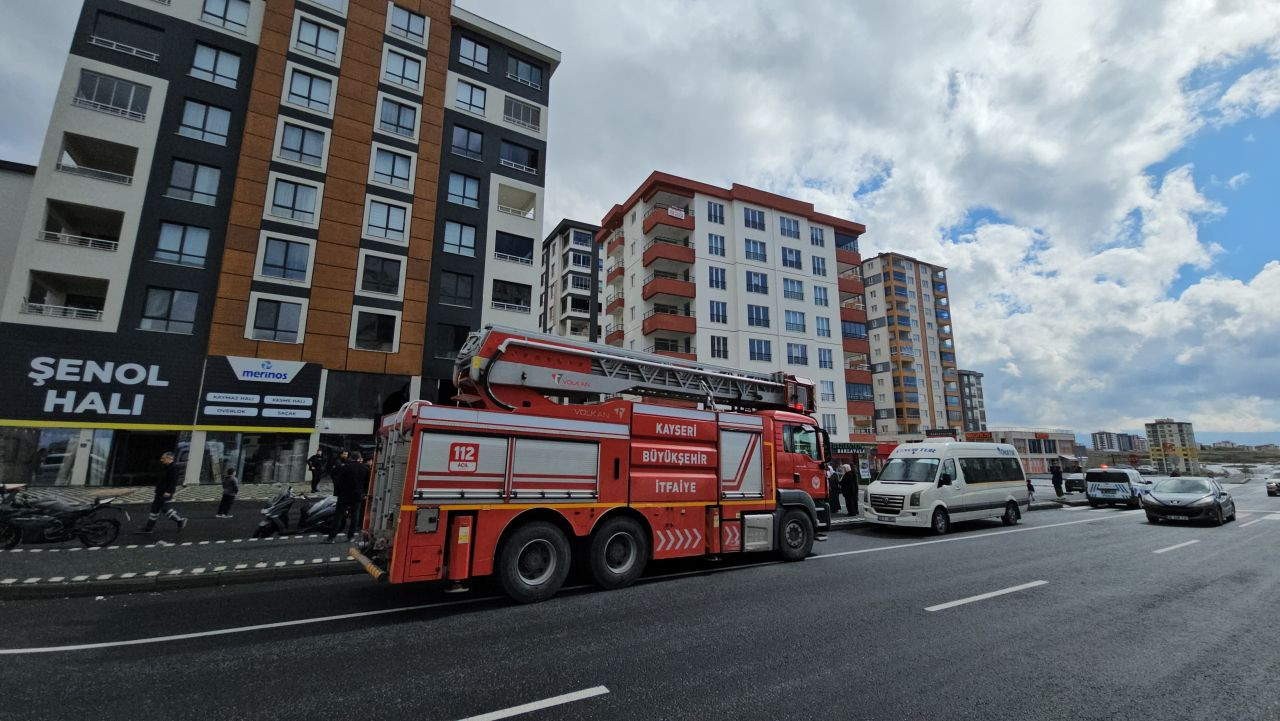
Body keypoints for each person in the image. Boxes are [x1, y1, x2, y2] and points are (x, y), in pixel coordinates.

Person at [139, 451, 187, 534]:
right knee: (154, 509)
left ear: (169, 458)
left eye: (163, 458)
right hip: (159, 491)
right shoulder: (165, 466)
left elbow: (173, 481)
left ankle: (180, 520)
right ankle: (149, 528)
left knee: (165, 509)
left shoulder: (174, 468)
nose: (161, 460)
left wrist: (169, 491)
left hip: (166, 492)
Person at [327, 451, 370, 543]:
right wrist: (365, 493)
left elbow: (338, 480)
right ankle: (351, 537)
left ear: (351, 458)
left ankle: (331, 537)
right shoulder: (365, 468)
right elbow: (367, 483)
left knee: (339, 516)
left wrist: (338, 492)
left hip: (344, 494)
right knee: (355, 516)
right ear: (359, 458)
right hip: (358, 495)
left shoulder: (345, 467)